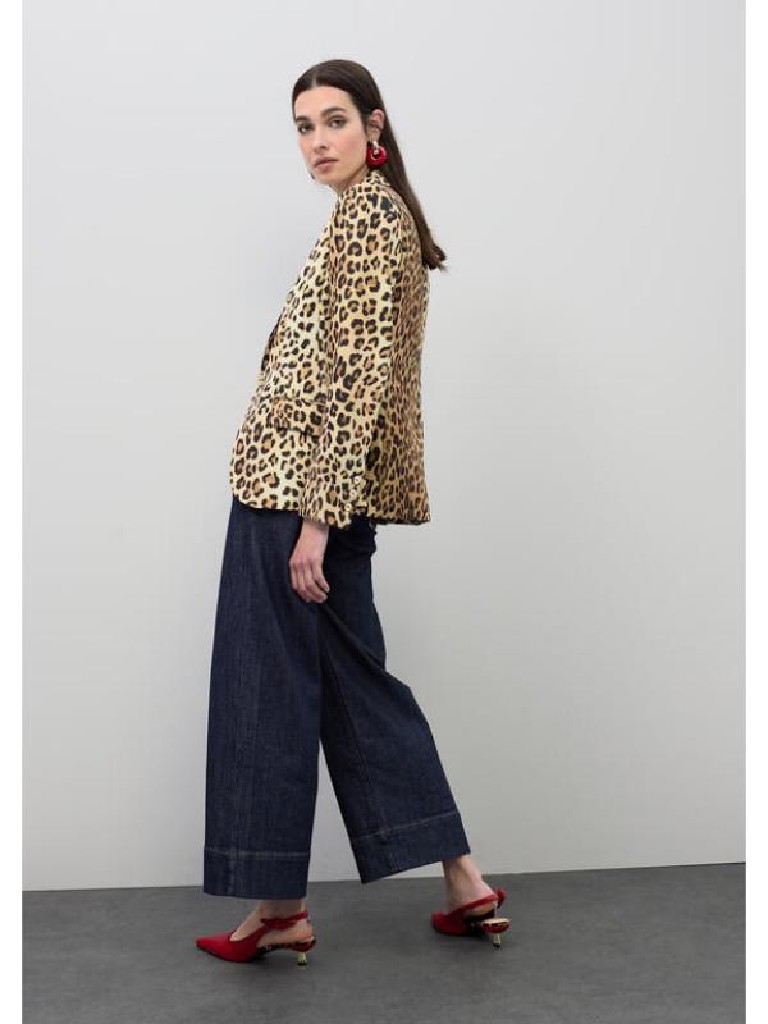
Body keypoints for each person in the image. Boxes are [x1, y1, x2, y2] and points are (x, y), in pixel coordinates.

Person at [196, 59, 510, 966]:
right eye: (302, 126)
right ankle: (462, 881)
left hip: (293, 497)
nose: (316, 141)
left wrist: (317, 522)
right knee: (353, 685)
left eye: (333, 120)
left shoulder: (370, 218)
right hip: (316, 495)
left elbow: (357, 382)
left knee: (265, 694)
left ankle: (279, 907)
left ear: (374, 126)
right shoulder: (372, 215)